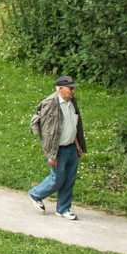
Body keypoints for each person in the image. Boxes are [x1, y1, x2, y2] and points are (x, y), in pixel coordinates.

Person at [29, 75, 86, 219]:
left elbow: (73, 125)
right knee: (58, 178)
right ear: (60, 89)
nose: (73, 91)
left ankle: (63, 209)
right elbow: (47, 133)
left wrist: (77, 144)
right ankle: (36, 194)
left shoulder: (71, 102)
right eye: (70, 88)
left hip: (71, 147)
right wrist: (50, 155)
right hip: (58, 150)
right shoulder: (50, 104)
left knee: (69, 179)